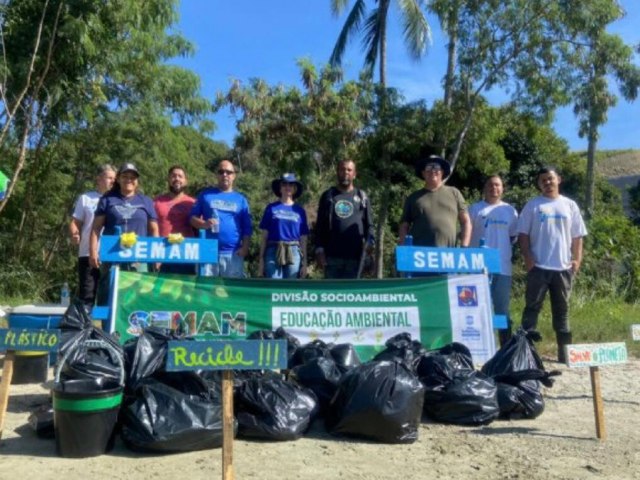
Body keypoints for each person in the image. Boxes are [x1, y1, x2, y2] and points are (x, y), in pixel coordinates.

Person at [517, 166, 587, 362]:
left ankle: (565, 355)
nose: (547, 183)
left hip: (563, 268)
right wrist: (528, 258)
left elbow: (577, 236)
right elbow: (523, 234)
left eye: (550, 179)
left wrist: (577, 259)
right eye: (543, 180)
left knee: (562, 311)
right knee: (531, 308)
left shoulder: (570, 205)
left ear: (559, 179)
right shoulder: (533, 205)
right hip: (538, 267)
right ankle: (525, 353)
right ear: (539, 184)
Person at [89, 163, 159, 305]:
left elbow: (154, 230)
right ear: (118, 179)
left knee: (138, 296)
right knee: (108, 295)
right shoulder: (107, 199)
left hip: (139, 257)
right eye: (125, 176)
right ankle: (107, 327)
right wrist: (92, 251)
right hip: (111, 255)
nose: (129, 180)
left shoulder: (145, 201)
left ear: (137, 181)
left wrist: (156, 256)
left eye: (133, 177)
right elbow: (96, 228)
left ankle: (137, 326)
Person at [469, 175, 518, 346]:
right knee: (475, 309)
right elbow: (466, 235)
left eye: (497, 185)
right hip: (477, 268)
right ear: (484, 188)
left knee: (502, 310)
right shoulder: (474, 209)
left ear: (502, 188)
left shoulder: (510, 211)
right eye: (490, 185)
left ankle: (505, 347)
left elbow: (513, 237)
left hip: (502, 267)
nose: (493, 188)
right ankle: (478, 346)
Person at [190, 159, 252, 278]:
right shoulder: (205, 195)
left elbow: (247, 227)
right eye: (221, 171)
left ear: (234, 176)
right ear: (216, 175)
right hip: (207, 252)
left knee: (232, 293)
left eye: (228, 172)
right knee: (205, 293)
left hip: (233, 253)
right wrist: (203, 224)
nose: (225, 174)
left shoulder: (241, 199)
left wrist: (245, 247)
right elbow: (192, 218)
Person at [315, 159, 375, 279]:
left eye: (349, 170)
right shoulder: (328, 196)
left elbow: (370, 225)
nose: (345, 172)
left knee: (352, 296)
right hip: (331, 258)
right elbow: (320, 226)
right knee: (332, 296)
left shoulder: (362, 196)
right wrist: (319, 250)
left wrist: (370, 245)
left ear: (354, 174)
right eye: (342, 169)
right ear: (337, 172)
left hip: (355, 259)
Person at [398, 155, 471, 248]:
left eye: (436, 167)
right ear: (423, 173)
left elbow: (466, 221)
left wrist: (464, 246)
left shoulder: (454, 193)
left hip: (448, 255)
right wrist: (404, 248)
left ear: (442, 172)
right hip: (420, 255)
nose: (432, 170)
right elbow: (404, 225)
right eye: (428, 167)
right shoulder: (413, 197)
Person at [69, 164, 116, 307]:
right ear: (99, 179)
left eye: (114, 178)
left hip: (111, 254)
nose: (112, 181)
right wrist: (74, 233)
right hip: (87, 253)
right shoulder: (85, 198)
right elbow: (75, 222)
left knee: (109, 296)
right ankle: (83, 326)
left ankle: (106, 329)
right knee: (87, 294)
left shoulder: (117, 200)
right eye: (109, 178)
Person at [258, 173, 309, 279]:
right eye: (284, 184)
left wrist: (305, 262)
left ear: (294, 188)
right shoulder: (271, 208)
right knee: (274, 285)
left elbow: (303, 238)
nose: (287, 187)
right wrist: (261, 259)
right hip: (273, 249)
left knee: (290, 287)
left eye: (290, 184)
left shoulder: (300, 211)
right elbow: (264, 236)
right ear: (280, 188)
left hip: (293, 250)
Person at [154, 165, 196, 274]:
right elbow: (151, 228)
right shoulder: (156, 202)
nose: (177, 178)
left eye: (180, 176)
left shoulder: (193, 203)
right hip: (162, 253)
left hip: (187, 254)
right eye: (173, 176)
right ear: (168, 179)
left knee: (187, 289)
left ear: (186, 181)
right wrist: (155, 256)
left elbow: (200, 229)